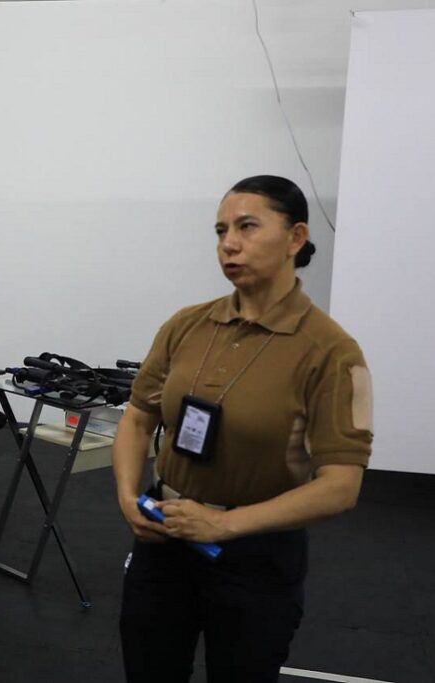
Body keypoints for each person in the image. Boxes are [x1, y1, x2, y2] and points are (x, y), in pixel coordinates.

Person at [113, 175, 373, 683]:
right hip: (164, 538)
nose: (228, 244)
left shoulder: (333, 352)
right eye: (221, 230)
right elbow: (139, 417)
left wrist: (224, 526)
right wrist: (127, 497)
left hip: (256, 557)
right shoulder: (186, 325)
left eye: (247, 227)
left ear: (296, 238)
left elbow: (341, 486)